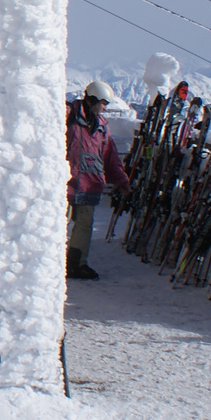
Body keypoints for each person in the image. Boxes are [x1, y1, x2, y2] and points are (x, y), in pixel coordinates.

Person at [66, 80, 129, 280]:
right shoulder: (69, 116)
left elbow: (110, 157)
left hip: (88, 183)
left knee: (84, 225)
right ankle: (49, 260)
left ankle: (76, 264)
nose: (104, 108)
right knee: (57, 223)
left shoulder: (102, 127)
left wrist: (122, 181)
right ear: (91, 98)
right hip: (65, 182)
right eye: (102, 102)